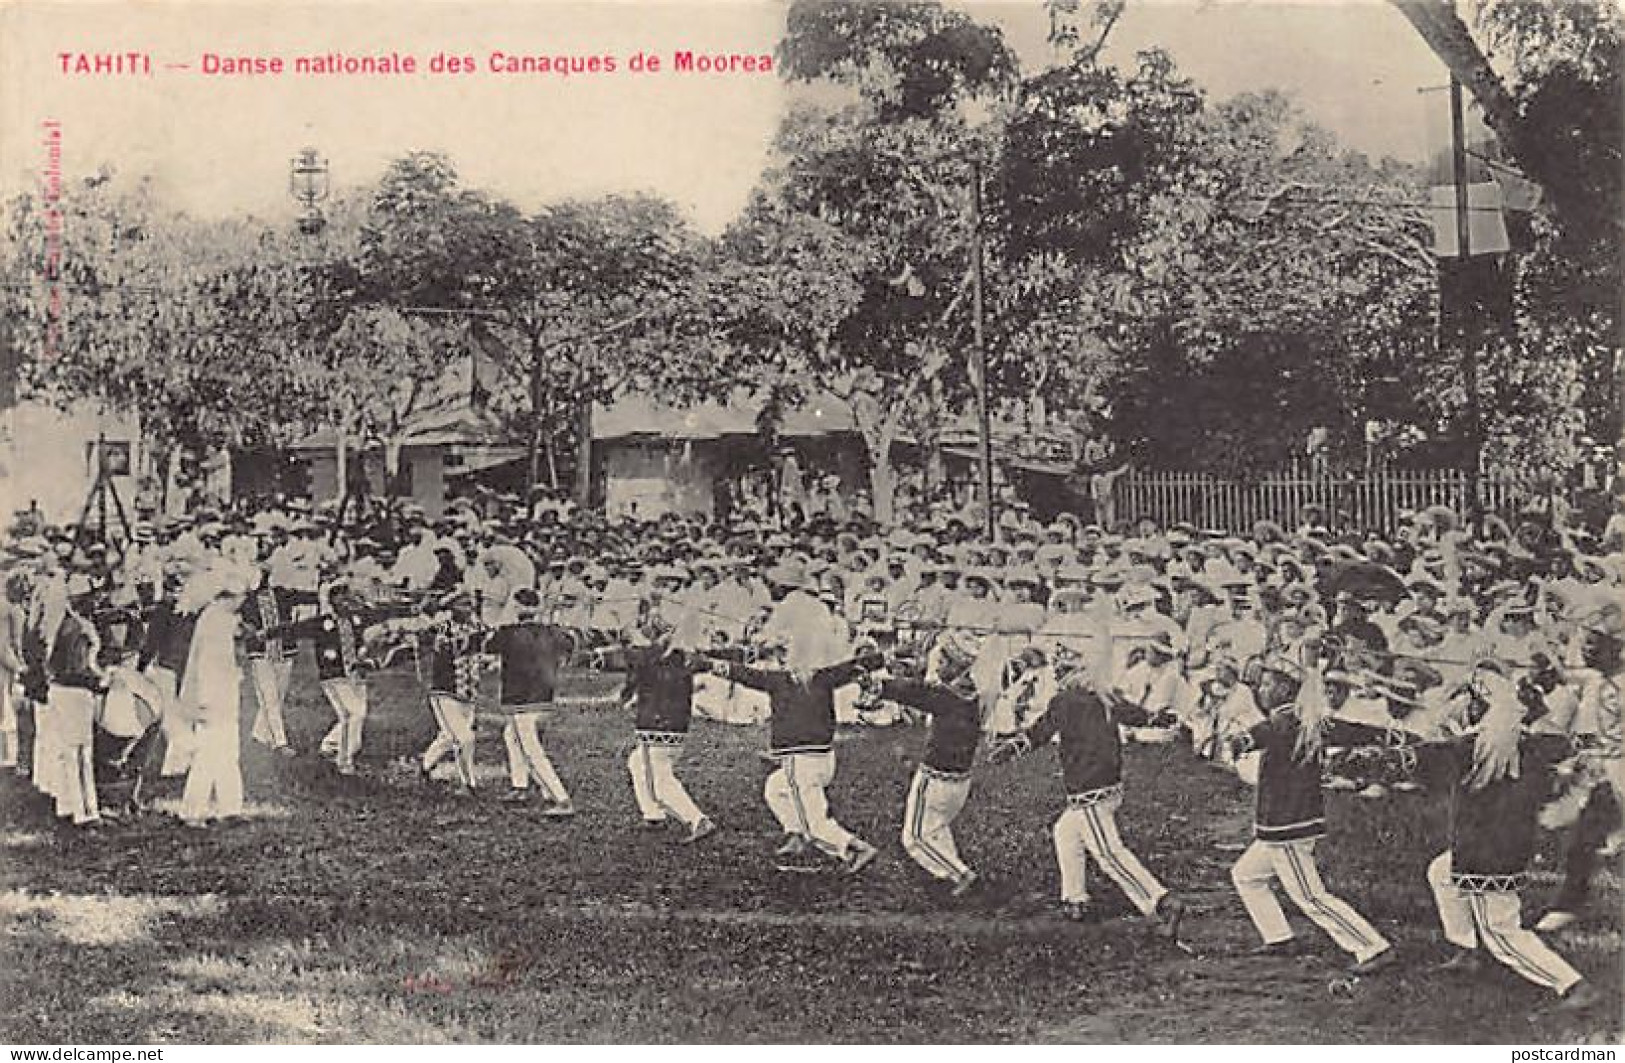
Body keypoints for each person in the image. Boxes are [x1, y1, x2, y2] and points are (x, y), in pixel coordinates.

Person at [1416, 661, 1599, 1011]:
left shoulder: (1472, 745)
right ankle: (1467, 949)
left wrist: (1445, 707)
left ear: (1478, 705)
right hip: (1509, 843)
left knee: (1500, 930)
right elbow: (1561, 741)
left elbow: (1425, 748)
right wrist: (1532, 706)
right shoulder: (1528, 741)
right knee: (1441, 872)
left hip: (1482, 849)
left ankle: (1571, 985)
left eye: (1470, 700)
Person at [989, 643, 1186, 937]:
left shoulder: (1065, 700)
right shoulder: (1104, 696)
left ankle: (1160, 901)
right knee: (1066, 833)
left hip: (1088, 788)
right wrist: (1157, 718)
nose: (1056, 674)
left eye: (1060, 669)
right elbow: (1137, 715)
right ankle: (1075, 900)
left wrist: (1009, 749)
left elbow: (1040, 732)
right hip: (1109, 783)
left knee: (1109, 853)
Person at [1225, 652, 1395, 973]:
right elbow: (1352, 730)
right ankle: (1279, 937)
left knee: (1310, 896)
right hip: (1289, 822)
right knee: (1247, 876)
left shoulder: (1286, 720)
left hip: (1288, 825)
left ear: (1287, 691)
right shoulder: (1310, 719)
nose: (1261, 689)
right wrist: (1389, 737)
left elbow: (1266, 732)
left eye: (1267, 684)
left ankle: (1372, 947)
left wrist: (1242, 741)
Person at [708, 639, 883, 874]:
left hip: (800, 761)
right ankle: (796, 835)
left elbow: (742, 673)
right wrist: (884, 658)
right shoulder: (824, 676)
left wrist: (707, 664)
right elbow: (860, 664)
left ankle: (853, 848)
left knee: (816, 824)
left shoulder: (779, 681)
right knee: (775, 788)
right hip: (824, 760)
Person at [879, 645, 985, 896]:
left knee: (914, 838)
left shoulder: (949, 696)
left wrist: (881, 685)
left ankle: (962, 875)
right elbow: (923, 691)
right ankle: (948, 876)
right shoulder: (973, 693)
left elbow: (917, 693)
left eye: (942, 663)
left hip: (936, 779)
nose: (937, 668)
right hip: (959, 781)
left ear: (957, 665)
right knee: (937, 829)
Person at [484, 587, 576, 814]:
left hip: (521, 700)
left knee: (530, 749)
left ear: (515, 608)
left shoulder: (506, 632)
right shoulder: (554, 631)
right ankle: (520, 786)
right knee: (511, 736)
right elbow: (572, 644)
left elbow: (487, 646)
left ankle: (560, 798)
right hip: (545, 698)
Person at [177, 562, 255, 826]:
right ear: (230, 597)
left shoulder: (222, 619)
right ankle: (193, 811)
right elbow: (205, 666)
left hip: (223, 694)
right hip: (211, 697)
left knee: (227, 751)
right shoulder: (213, 621)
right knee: (208, 753)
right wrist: (203, 702)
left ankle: (229, 807)